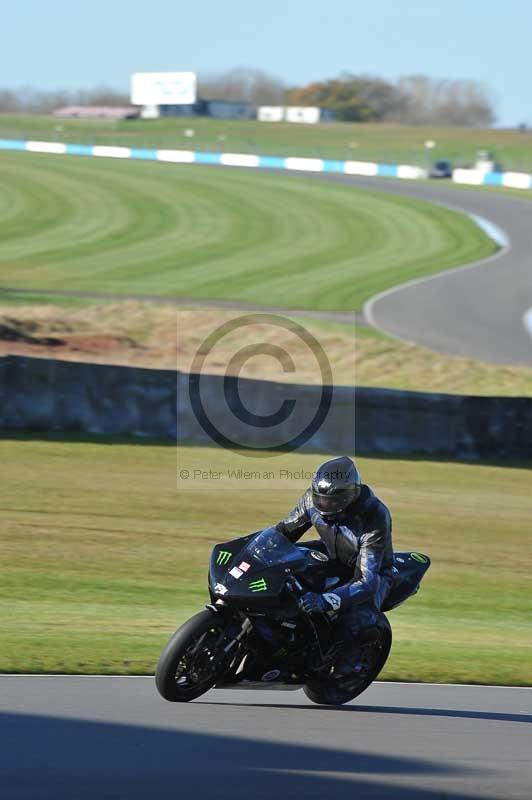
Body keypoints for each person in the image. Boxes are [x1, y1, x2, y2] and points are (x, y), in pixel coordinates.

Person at [275, 455, 394, 677]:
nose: (324, 505)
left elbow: (367, 581)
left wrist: (325, 601)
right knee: (286, 568)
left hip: (371, 571)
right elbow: (282, 532)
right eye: (320, 499)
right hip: (332, 556)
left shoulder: (374, 516)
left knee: (357, 615)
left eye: (332, 501)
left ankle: (350, 666)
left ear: (349, 496)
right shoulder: (312, 501)